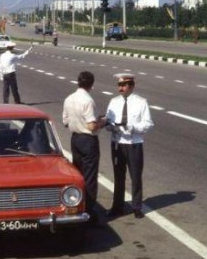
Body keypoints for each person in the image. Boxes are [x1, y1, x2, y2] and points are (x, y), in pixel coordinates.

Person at [105, 73, 154, 219]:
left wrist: (133, 127)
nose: (121, 88)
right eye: (119, 85)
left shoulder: (141, 102)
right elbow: (107, 122)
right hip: (118, 143)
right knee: (118, 176)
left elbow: (148, 123)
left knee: (136, 176)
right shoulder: (113, 102)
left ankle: (137, 206)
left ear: (131, 86)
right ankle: (117, 206)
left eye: (124, 85)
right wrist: (112, 127)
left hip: (134, 144)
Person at [62, 71, 106, 225]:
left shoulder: (69, 98)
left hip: (75, 139)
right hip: (88, 140)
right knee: (90, 178)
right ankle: (89, 211)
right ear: (91, 85)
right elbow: (92, 126)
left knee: (78, 174)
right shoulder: (88, 101)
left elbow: (65, 122)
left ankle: (77, 204)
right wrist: (103, 122)